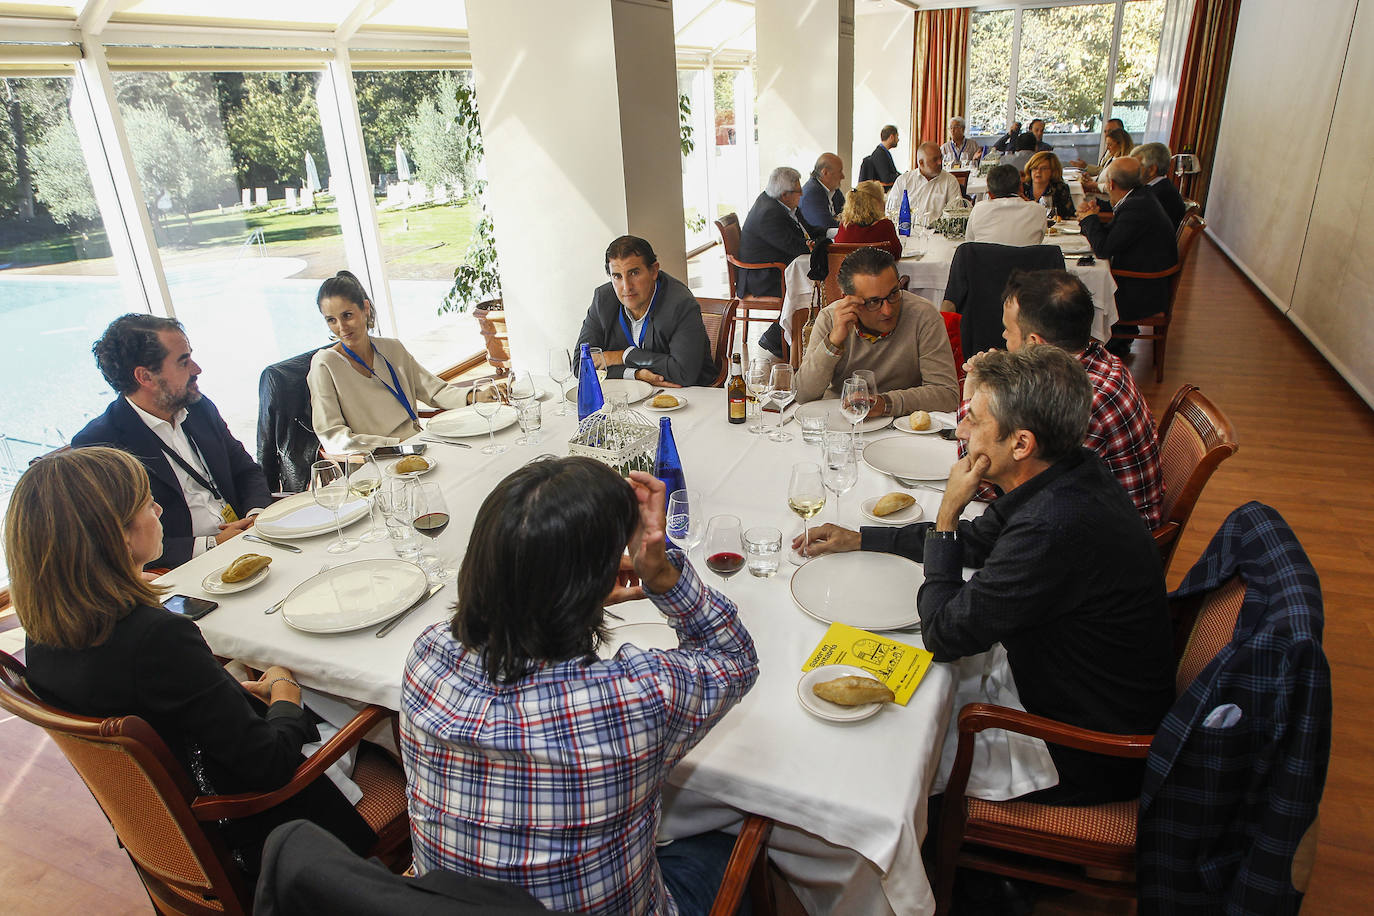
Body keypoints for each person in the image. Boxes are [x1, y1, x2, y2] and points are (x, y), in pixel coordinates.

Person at [797, 346, 1175, 804]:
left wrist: (948, 512)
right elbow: (978, 542)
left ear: (1021, 444)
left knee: (874, 761)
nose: (960, 430)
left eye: (974, 419)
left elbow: (942, 635)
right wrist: (864, 538)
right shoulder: (1070, 471)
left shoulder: (1053, 527)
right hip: (1069, 685)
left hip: (1078, 749)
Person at [401, 459, 758, 916]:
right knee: (728, 836)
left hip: (451, 903)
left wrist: (569, 598)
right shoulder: (632, 699)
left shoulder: (426, 658)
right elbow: (734, 657)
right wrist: (662, 574)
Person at [8, 447, 376, 875]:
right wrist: (283, 690)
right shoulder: (157, 636)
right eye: (147, 502)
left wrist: (227, 693)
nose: (160, 508)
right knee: (372, 710)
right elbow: (270, 764)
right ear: (120, 536)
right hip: (263, 834)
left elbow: (146, 699)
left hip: (170, 839)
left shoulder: (44, 634)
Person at [73, 314, 272, 569]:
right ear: (145, 377)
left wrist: (255, 515)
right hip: (183, 568)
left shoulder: (199, 408)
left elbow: (245, 470)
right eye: (183, 362)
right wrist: (214, 543)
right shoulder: (101, 446)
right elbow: (115, 541)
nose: (197, 369)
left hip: (248, 539)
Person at [973, 269, 1164, 527]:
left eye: (1008, 330)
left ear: (1034, 343)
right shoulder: (1097, 360)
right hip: (1099, 512)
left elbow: (997, 485)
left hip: (1105, 540)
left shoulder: (1080, 400)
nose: (1004, 338)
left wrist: (975, 398)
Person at [308, 270, 475, 454]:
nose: (341, 327)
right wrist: (395, 445)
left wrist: (474, 396)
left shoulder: (392, 349)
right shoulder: (324, 365)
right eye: (331, 320)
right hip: (377, 459)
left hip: (418, 448)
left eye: (347, 315)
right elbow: (333, 437)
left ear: (365, 308)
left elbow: (433, 390)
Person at [796, 246, 959, 416]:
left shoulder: (924, 316)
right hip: (840, 422)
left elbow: (947, 394)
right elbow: (803, 395)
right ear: (848, 300)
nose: (888, 310)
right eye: (873, 302)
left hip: (903, 426)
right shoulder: (830, 319)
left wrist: (886, 403)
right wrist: (834, 342)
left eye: (894, 293)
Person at [576, 235, 715, 388]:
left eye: (634, 273)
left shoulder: (680, 304)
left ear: (654, 271)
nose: (626, 287)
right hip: (630, 395)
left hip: (691, 396)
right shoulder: (602, 300)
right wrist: (635, 375)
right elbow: (580, 365)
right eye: (617, 276)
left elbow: (683, 373)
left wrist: (622, 356)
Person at [1077, 157, 1179, 353]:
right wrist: (1093, 219)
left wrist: (1089, 219)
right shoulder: (1141, 197)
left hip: (1142, 291)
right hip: (1150, 282)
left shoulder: (1136, 208)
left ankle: (1096, 347)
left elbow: (1104, 248)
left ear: (1111, 184)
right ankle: (1112, 341)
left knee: (1083, 291)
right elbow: (1116, 235)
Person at [739, 166, 812, 358]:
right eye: (798, 190)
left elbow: (808, 232)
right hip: (763, 277)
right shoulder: (769, 213)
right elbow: (793, 246)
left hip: (777, 268)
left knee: (812, 281)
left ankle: (792, 337)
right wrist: (817, 246)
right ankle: (776, 338)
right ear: (785, 194)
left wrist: (828, 236)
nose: (802, 193)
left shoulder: (782, 206)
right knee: (811, 288)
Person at [963, 164, 1047, 247]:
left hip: (988, 259)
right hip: (1026, 260)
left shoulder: (979, 209)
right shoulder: (1038, 210)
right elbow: (1038, 241)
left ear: (990, 194)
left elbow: (970, 243)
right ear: (1021, 187)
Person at [886, 142, 963, 226]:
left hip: (937, 235)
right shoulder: (904, 181)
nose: (940, 162)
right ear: (921, 163)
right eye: (935, 159)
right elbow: (891, 212)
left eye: (941, 157)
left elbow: (955, 215)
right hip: (908, 233)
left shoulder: (950, 181)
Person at [833, 180, 903, 257]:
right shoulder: (885, 226)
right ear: (876, 203)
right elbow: (896, 254)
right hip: (875, 268)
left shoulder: (844, 227)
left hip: (847, 269)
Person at [1132, 141, 1189, 228]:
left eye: (1137, 166)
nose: (1132, 171)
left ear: (1152, 170)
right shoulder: (1157, 188)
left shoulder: (1162, 195)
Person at [1022, 151, 1076, 221]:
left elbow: (1069, 216)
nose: (1038, 171)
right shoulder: (1022, 188)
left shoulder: (1060, 189)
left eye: (1043, 168)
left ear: (1053, 171)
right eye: (1035, 168)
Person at [799, 152, 846, 231]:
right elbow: (827, 227)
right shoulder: (811, 195)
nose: (843, 176)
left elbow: (850, 216)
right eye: (840, 171)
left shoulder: (835, 190)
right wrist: (839, 219)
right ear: (825, 173)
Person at [858, 124, 900, 189]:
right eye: (897, 137)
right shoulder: (880, 154)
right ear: (891, 137)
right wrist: (902, 177)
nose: (898, 140)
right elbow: (886, 178)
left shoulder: (883, 152)